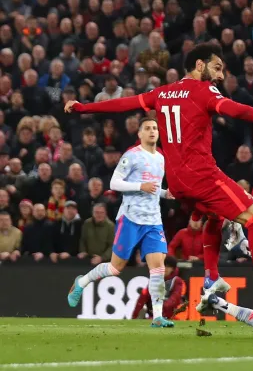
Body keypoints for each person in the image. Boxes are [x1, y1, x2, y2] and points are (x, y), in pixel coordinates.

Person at [64, 43, 253, 303]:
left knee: (214, 217)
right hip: (201, 175)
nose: (220, 76)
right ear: (200, 65)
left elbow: (123, 104)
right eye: (217, 68)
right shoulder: (204, 91)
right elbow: (237, 110)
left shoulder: (162, 92)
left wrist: (85, 108)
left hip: (176, 181)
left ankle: (211, 277)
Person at [67, 117, 176, 328]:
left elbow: (152, 188)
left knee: (158, 268)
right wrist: (139, 186)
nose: (152, 131)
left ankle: (157, 317)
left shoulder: (161, 157)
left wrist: (164, 193)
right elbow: (114, 183)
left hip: (153, 220)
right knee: (116, 268)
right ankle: (81, 282)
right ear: (140, 134)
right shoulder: (132, 155)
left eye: (155, 128)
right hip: (131, 219)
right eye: (147, 128)